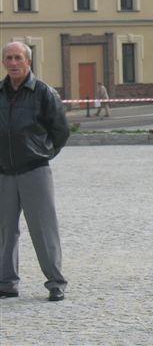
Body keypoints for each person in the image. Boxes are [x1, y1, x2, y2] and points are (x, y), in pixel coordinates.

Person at [0, 41, 69, 301]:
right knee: (5, 231)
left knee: (43, 229)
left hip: (34, 171)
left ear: (28, 61)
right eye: (9, 58)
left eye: (18, 57)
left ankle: (55, 282)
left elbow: (61, 131)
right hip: (4, 173)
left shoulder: (43, 92)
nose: (13, 62)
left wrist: (43, 152)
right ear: (3, 62)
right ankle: (6, 283)